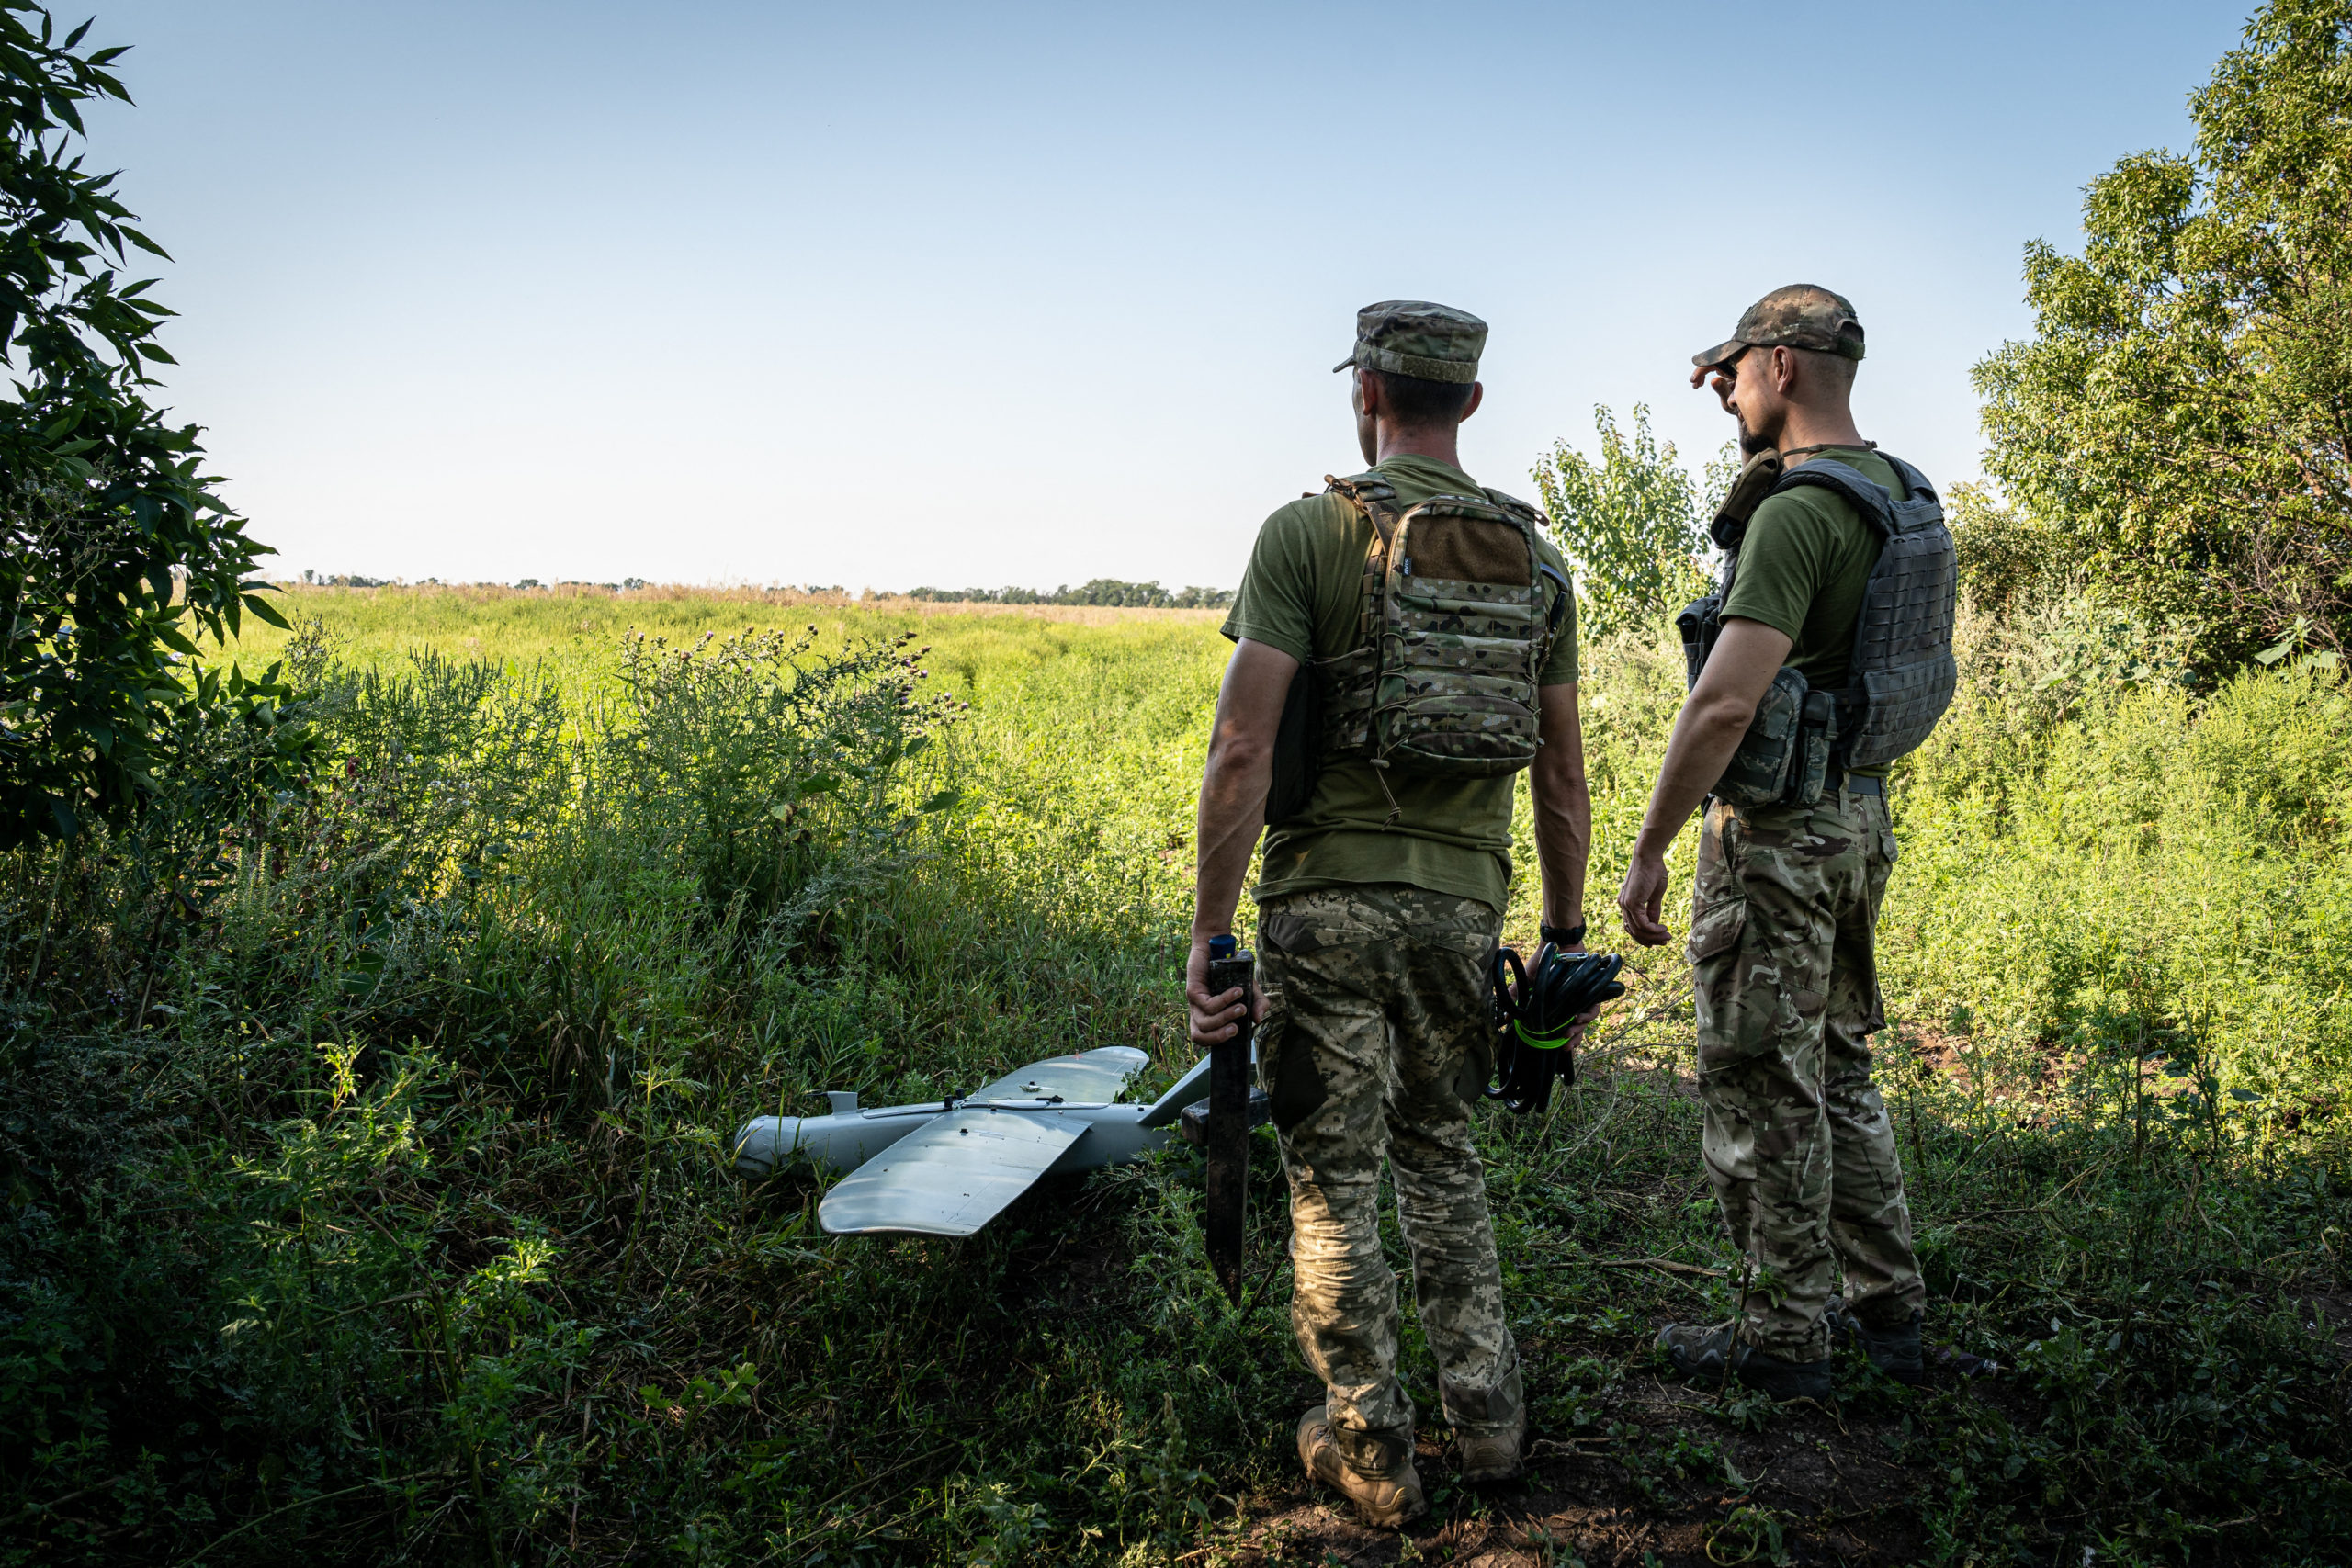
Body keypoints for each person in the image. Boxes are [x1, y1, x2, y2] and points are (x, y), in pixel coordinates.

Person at [1186, 300, 1591, 1527]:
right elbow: (1563, 776)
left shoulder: (1307, 535)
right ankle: (1490, 1420)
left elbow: (1243, 744)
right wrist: (1563, 943)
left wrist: (1211, 939)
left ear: (1365, 392)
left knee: (1332, 1175)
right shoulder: (1542, 560)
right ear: (1468, 403)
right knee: (1443, 1152)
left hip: (1325, 903)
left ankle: (1366, 1444)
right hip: (1465, 910)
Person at [1616, 284, 1941, 1399]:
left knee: (1762, 1075)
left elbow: (1723, 703)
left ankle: (1784, 1336)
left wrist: (1653, 842)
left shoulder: (1799, 510)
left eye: (1732, 370)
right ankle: (1886, 1310)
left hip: (1782, 836)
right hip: (1859, 816)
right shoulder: (1899, 493)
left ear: (1784, 366)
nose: (1721, 391)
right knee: (1840, 1061)